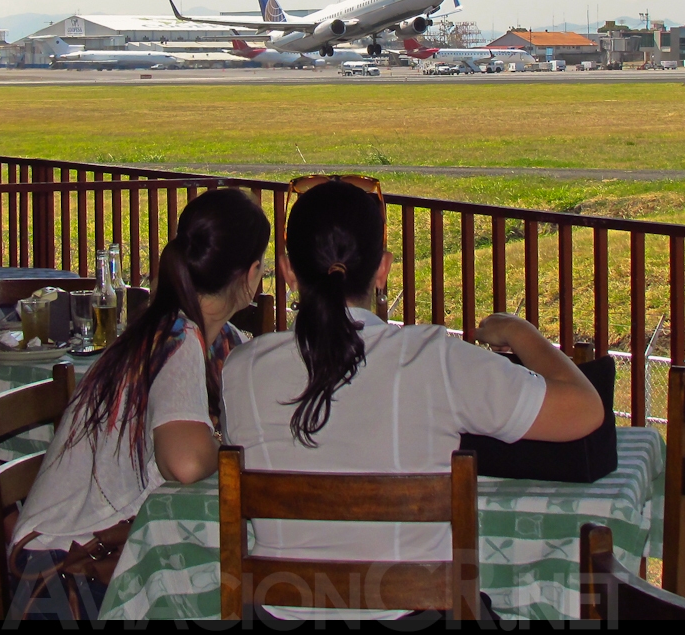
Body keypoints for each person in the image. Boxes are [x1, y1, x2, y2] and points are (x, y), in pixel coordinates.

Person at [221, 180, 605, 621]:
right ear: (383, 270)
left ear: (287, 271)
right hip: (419, 616)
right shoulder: (433, 360)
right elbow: (586, 410)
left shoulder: (242, 371)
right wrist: (519, 331)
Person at [10, 187, 270, 619]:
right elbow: (184, 462)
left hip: (89, 552)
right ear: (251, 274)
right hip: (60, 573)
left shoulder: (205, 336)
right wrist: (225, 445)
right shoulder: (177, 338)